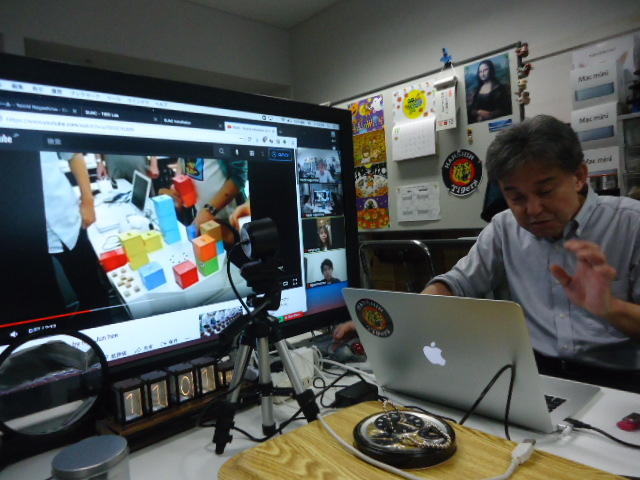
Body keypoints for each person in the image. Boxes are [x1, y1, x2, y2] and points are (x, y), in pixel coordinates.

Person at [335, 115, 640, 392]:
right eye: (516, 197)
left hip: (620, 382)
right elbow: (455, 284)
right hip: (534, 375)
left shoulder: (631, 224)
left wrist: (610, 307)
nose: (533, 209)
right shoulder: (505, 227)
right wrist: (390, 325)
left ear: (580, 176)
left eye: (545, 191)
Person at [40, 152, 109, 313]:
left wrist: (88, 202)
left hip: (65, 219)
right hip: (21, 232)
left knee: (92, 290)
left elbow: (73, 155)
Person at [160, 157, 248, 244]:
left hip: (229, 216)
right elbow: (183, 159)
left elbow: (239, 177)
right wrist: (178, 181)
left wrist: (209, 211)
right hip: (201, 213)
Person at [467, 59, 511, 124]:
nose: (482, 74)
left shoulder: (499, 88)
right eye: (480, 71)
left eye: (485, 70)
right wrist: (478, 112)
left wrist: (490, 114)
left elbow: (505, 109)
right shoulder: (477, 90)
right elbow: (472, 109)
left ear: (491, 70)